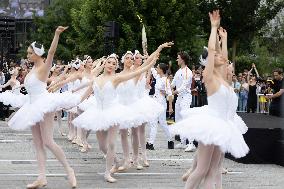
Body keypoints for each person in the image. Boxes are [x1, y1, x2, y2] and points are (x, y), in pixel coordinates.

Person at [73, 42, 173, 183]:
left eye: (113, 63)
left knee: (113, 143)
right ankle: (117, 161)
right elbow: (86, 92)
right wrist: (72, 101)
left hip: (114, 111)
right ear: (105, 63)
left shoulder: (117, 78)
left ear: (116, 66)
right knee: (102, 146)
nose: (111, 65)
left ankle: (108, 172)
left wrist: (158, 50)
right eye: (109, 62)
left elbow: (141, 69)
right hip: (99, 112)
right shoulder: (97, 78)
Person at [169, 10, 249, 189]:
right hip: (211, 123)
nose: (225, 61)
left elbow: (224, 57)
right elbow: (213, 52)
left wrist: (225, 39)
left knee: (214, 170)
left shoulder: (225, 81)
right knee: (202, 169)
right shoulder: (210, 78)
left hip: (223, 125)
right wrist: (213, 28)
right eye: (219, 58)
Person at [7, 26, 78, 188]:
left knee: (47, 141)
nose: (27, 55)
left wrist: (57, 34)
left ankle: (69, 170)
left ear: (38, 54)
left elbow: (51, 52)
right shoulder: (32, 69)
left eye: (30, 53)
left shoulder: (44, 67)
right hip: (32, 105)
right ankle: (42, 177)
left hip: (44, 105)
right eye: (27, 53)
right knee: (38, 143)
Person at [171, 51, 196, 152]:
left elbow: (184, 86)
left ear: (183, 59)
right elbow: (173, 84)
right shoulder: (178, 71)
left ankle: (191, 143)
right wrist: (168, 89)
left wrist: (174, 92)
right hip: (179, 98)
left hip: (186, 97)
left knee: (186, 120)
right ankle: (183, 142)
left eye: (178, 58)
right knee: (178, 120)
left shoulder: (188, 72)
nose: (177, 59)